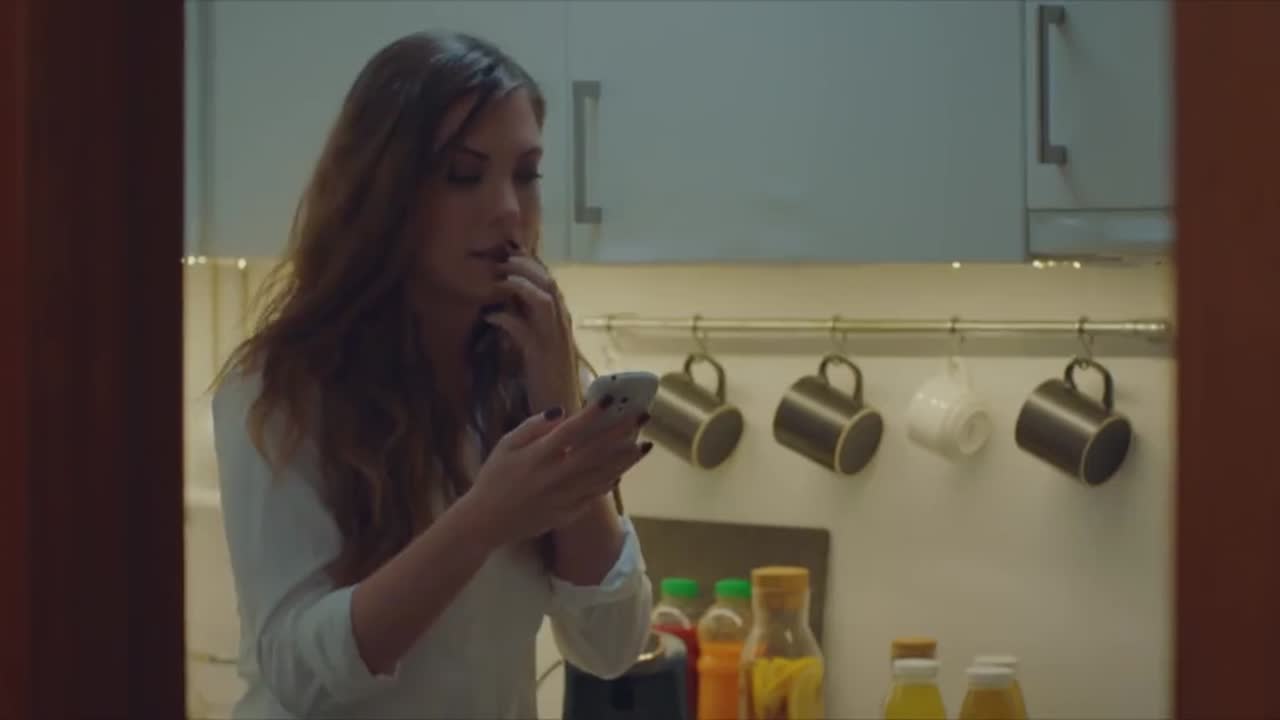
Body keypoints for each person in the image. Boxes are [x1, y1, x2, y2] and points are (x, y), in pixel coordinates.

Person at [210, 31, 655, 719]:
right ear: (383, 191)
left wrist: (564, 411)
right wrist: (482, 519)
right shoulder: (283, 389)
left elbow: (611, 645)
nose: (508, 209)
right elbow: (298, 673)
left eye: (526, 174)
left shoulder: (522, 373)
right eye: (463, 175)